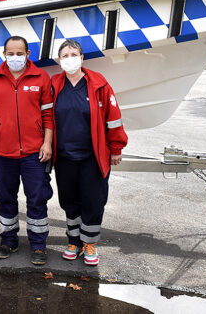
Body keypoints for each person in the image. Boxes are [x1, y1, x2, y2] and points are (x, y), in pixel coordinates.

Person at [0, 36, 54, 266]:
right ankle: (8, 240)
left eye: (20, 53)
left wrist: (47, 143)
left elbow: (49, 115)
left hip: (34, 153)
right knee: (5, 197)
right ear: (4, 54)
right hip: (3, 153)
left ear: (28, 54)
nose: (15, 58)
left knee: (37, 198)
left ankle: (38, 245)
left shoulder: (41, 77)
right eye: (11, 53)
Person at [51, 39, 128, 266]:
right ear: (59, 60)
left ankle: (90, 243)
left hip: (93, 157)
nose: (69, 58)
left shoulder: (99, 84)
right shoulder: (54, 84)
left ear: (82, 58)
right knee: (69, 200)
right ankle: (73, 241)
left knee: (93, 201)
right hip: (64, 157)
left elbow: (113, 119)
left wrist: (116, 148)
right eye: (64, 55)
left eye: (73, 54)